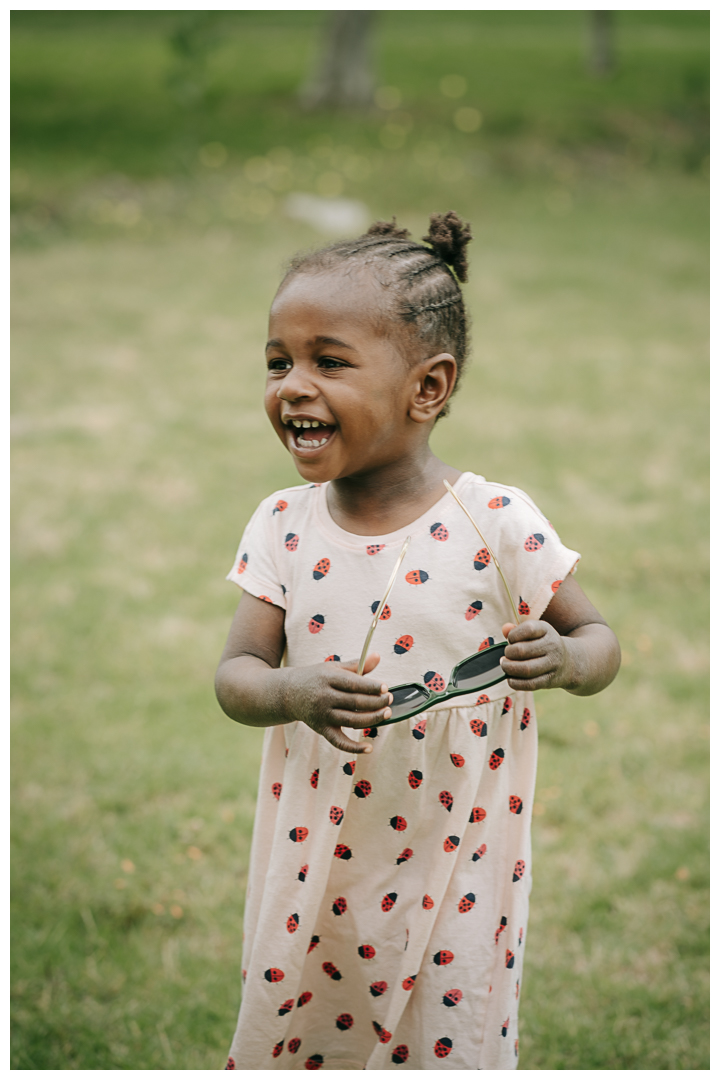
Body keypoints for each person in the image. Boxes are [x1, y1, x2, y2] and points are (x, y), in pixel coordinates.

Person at [215, 212, 620, 1070]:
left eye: (329, 361)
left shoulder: (495, 521)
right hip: (317, 841)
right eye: (278, 361)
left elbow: (599, 639)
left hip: (459, 844)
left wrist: (567, 660)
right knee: (312, 1010)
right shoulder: (283, 526)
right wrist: (292, 691)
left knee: (444, 1021)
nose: (292, 384)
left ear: (427, 388)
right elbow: (237, 675)